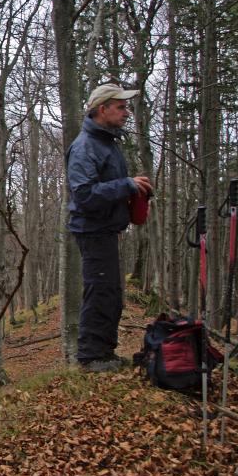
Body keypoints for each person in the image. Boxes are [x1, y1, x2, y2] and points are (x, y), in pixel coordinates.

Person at [66, 83, 153, 372]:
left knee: (111, 293)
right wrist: (126, 185)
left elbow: (103, 187)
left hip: (105, 228)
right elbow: (84, 195)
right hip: (92, 230)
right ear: (103, 109)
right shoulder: (85, 147)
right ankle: (91, 357)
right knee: (100, 291)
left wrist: (132, 195)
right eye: (121, 107)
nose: (127, 113)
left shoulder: (106, 143)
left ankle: (104, 353)